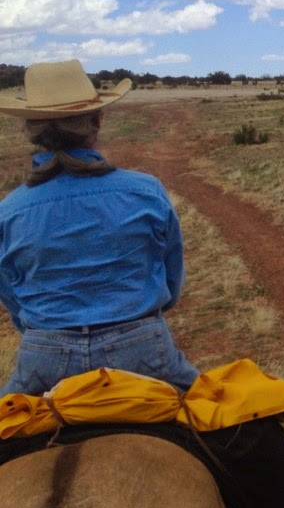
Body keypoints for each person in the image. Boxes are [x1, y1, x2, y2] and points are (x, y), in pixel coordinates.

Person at [0, 59, 200, 395]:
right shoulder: (146, 190)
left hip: (44, 356)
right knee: (225, 422)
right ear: (97, 120)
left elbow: (12, 299)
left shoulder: (9, 210)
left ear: (31, 130)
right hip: (142, 348)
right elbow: (170, 281)